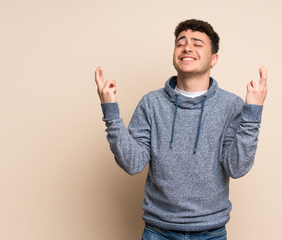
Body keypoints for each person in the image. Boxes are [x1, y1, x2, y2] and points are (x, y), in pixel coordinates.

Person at [94, 19, 267, 240]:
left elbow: (237, 167)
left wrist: (253, 111)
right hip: (158, 231)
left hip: (211, 232)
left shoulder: (231, 106)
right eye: (180, 43)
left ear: (214, 59)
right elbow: (132, 163)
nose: (187, 48)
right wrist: (110, 112)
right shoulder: (151, 103)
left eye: (197, 43)